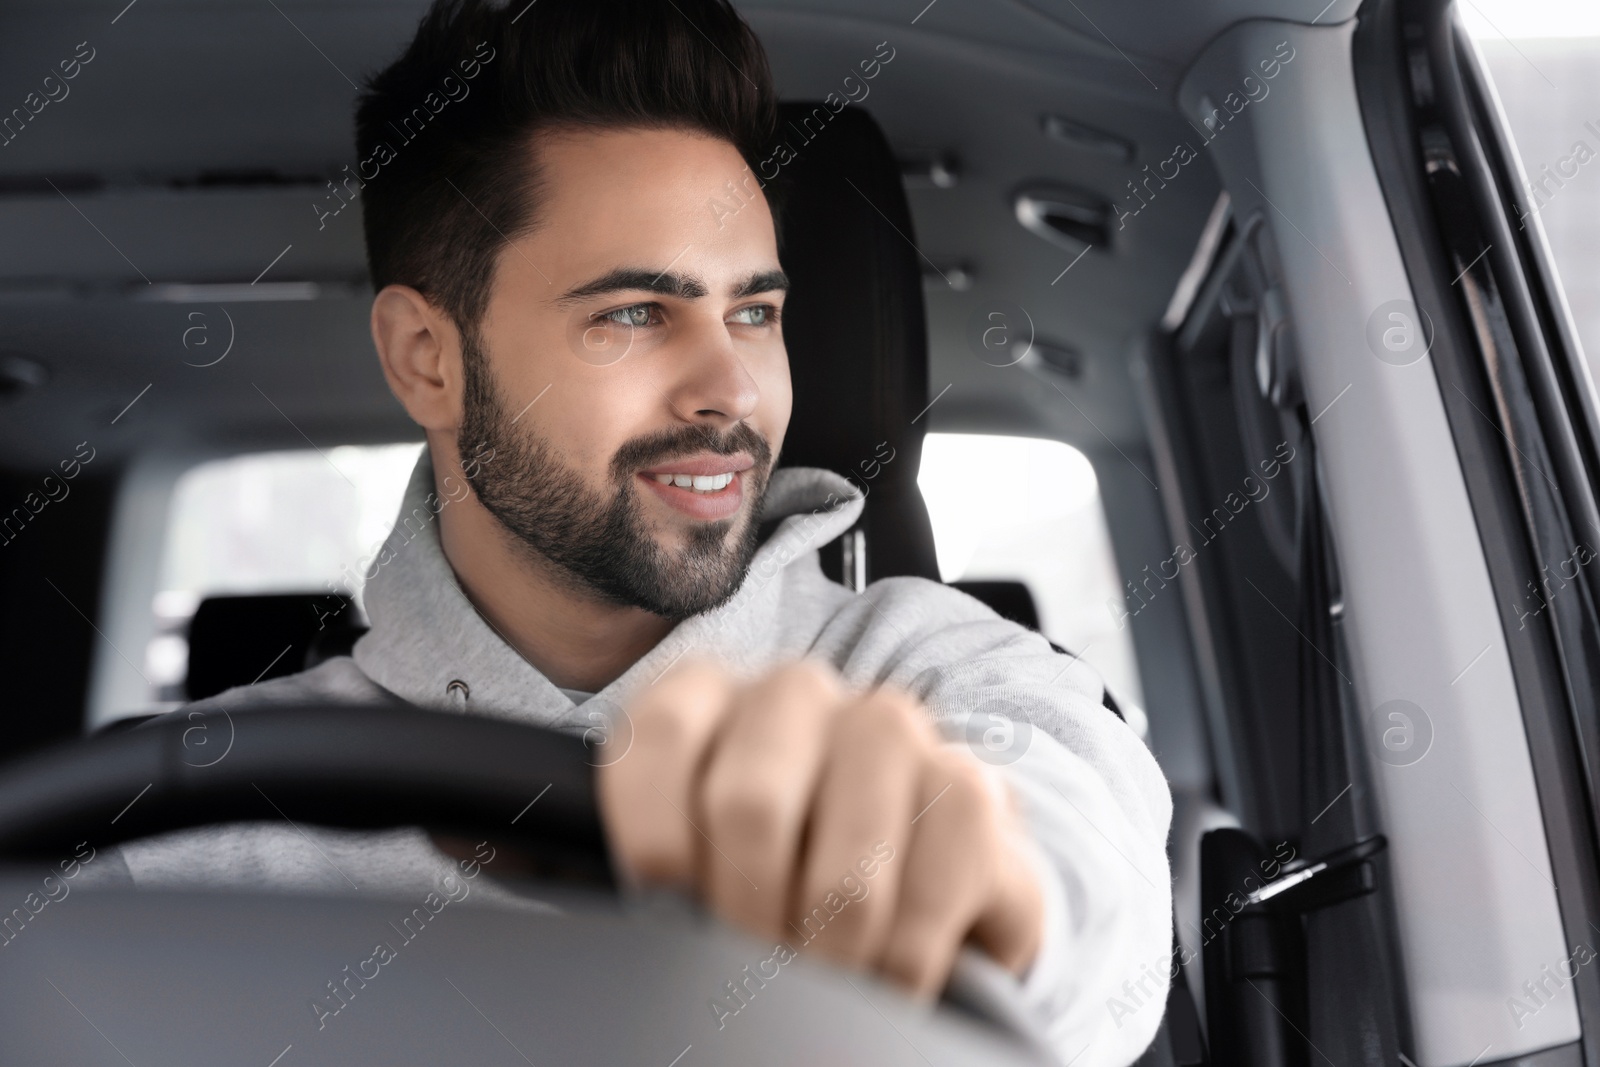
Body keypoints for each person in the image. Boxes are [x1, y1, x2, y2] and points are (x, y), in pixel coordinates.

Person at [96, 1, 1172, 1062]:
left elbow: (1075, 863)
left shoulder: (940, 674)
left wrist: (959, 889)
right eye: (634, 313)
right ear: (427, 357)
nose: (730, 389)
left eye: (753, 313)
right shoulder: (182, 835)